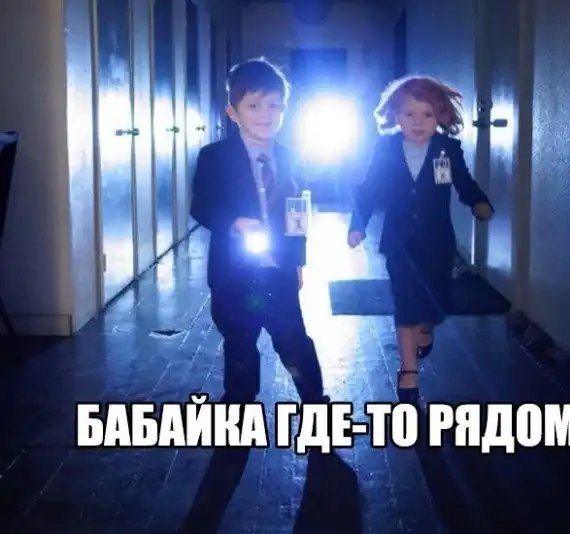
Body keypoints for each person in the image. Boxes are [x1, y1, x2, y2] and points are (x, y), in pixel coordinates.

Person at [347, 75, 494, 404]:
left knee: (438, 304)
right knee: (405, 302)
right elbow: (368, 188)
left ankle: (426, 328)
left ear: (440, 116)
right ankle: (408, 371)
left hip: (437, 241)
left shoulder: (447, 149)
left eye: (427, 114)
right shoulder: (386, 149)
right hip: (398, 241)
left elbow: (464, 182)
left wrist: (478, 202)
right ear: (395, 116)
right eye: (409, 114)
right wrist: (358, 224)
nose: (418, 122)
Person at [190, 57, 329, 406]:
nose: (265, 114)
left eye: (274, 106)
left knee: (293, 340)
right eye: (253, 106)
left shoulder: (292, 158)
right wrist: (234, 223)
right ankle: (239, 403)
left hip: (278, 269)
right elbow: (201, 206)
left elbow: (297, 215)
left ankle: (315, 402)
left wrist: (297, 260)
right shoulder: (215, 157)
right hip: (232, 272)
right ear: (233, 112)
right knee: (239, 342)